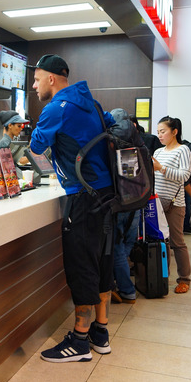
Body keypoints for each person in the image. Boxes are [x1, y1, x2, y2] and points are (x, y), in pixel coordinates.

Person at [28, 54, 117, 363]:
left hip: (83, 197)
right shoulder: (90, 103)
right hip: (106, 195)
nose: (34, 85)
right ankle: (100, 333)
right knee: (102, 261)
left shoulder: (56, 108)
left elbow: (37, 146)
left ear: (52, 79)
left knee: (81, 266)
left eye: (37, 79)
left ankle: (79, 340)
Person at [151, 116, 191, 294]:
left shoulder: (183, 150)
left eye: (163, 131)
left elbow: (184, 176)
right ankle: (163, 277)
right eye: (158, 131)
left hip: (175, 204)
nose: (159, 135)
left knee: (177, 242)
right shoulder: (159, 152)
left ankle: (184, 279)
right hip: (157, 202)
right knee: (162, 242)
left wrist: (161, 169)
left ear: (174, 132)